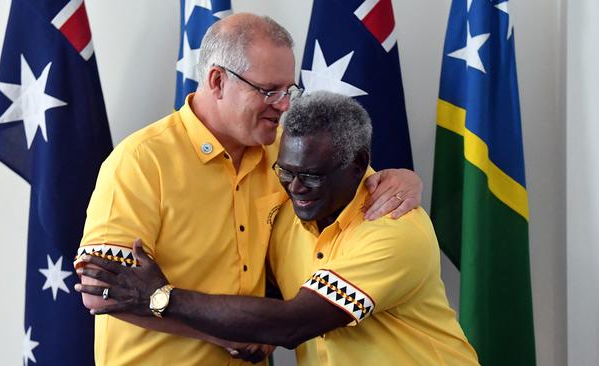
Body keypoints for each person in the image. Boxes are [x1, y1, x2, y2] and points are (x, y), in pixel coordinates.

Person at [74, 13, 422, 366]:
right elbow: (101, 291)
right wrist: (222, 334)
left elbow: (356, 179)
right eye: (269, 90)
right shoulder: (141, 161)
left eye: (289, 90)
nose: (285, 105)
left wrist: (407, 178)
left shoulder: (289, 153)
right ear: (217, 81)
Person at [76, 91, 480, 366]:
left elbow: (293, 324)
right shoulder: (288, 205)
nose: (295, 187)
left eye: (312, 176)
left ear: (358, 167)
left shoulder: (391, 229)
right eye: (286, 172)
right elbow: (102, 289)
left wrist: (161, 297)